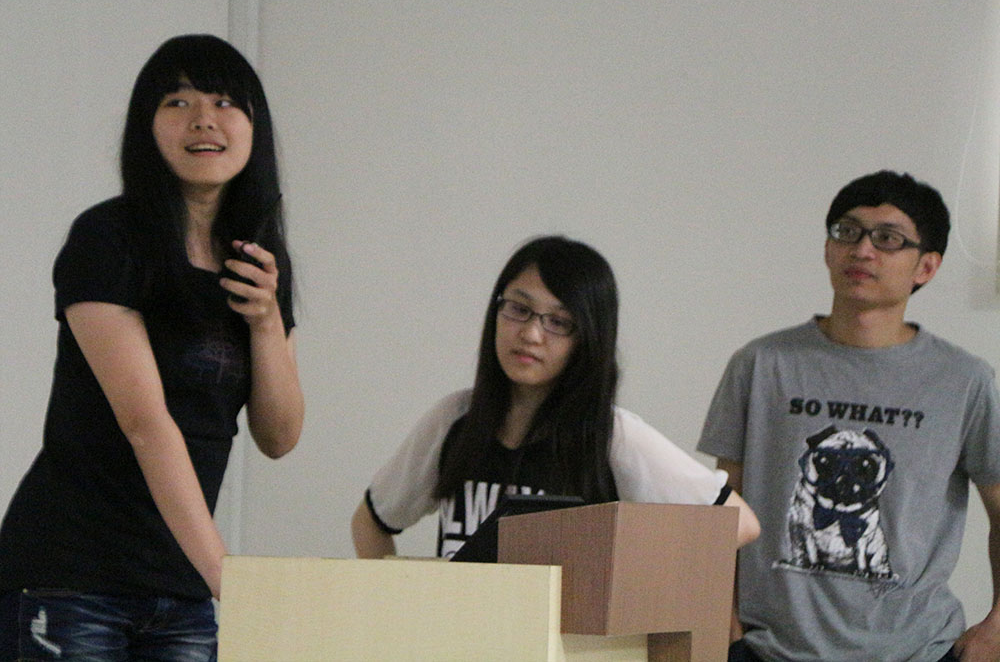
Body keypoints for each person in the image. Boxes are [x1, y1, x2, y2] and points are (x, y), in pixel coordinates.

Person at [0, 34, 303, 660]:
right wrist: (226, 577)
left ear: (255, 125)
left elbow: (278, 437)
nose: (203, 119)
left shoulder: (257, 261)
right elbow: (146, 424)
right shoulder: (107, 238)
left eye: (224, 101)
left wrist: (268, 322)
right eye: (177, 101)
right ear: (147, 126)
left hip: (181, 591)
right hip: (72, 576)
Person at [697, 170, 1000, 661]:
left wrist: (998, 626)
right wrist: (721, 621)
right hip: (770, 648)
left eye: (888, 238)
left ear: (926, 266)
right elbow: (721, 503)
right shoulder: (762, 364)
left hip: (916, 650)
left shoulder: (964, 380)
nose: (862, 250)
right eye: (847, 232)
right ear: (827, 249)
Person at [352, 235, 759, 560]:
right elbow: (370, 522)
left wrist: (627, 578)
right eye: (519, 309)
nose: (531, 334)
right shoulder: (454, 419)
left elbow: (738, 524)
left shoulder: (611, 435)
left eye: (559, 322)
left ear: (588, 338)